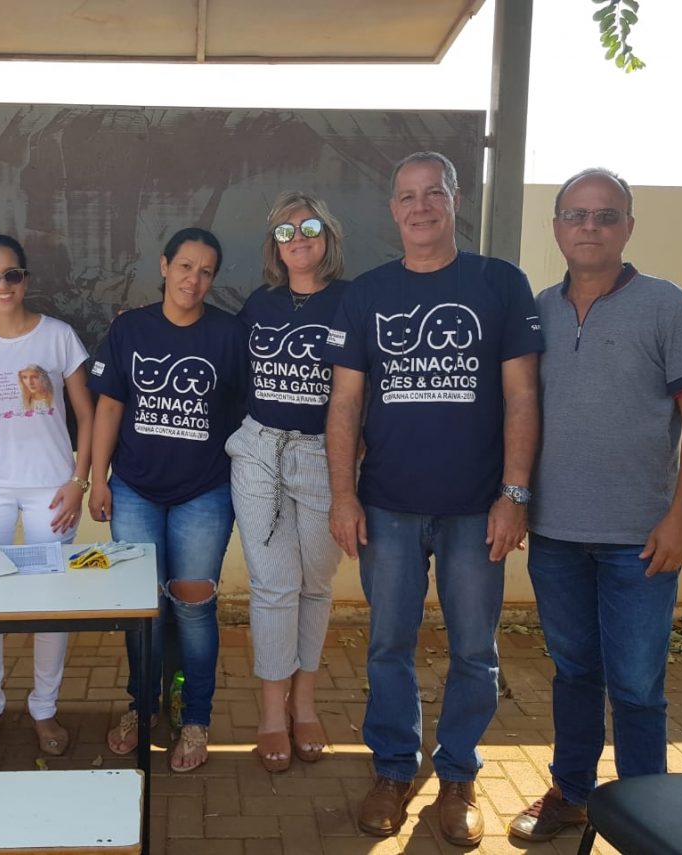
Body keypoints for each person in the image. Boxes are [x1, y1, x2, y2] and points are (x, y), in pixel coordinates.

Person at [324, 151, 543, 845]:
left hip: (477, 509)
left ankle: (457, 775)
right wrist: (342, 496)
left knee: (474, 649)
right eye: (408, 196)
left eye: (433, 194)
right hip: (386, 506)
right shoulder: (367, 293)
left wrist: (514, 494)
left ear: (454, 201)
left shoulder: (499, 283)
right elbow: (344, 402)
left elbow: (522, 395)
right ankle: (393, 768)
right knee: (388, 643)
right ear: (393, 210)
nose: (420, 207)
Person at [508, 168, 682, 842]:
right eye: (576, 214)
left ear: (628, 225)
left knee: (635, 686)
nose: (590, 227)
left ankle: (647, 816)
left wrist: (681, 518)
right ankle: (571, 792)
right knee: (574, 673)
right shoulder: (538, 309)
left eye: (605, 215)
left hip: (641, 539)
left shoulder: (668, 306)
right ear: (556, 227)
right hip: (555, 534)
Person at [88, 227, 247, 773]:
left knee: (194, 609)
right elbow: (109, 406)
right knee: (144, 609)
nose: (193, 280)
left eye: (205, 271)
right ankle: (142, 706)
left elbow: (248, 412)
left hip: (205, 492)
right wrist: (99, 479)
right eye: (184, 266)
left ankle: (195, 718)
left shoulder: (229, 334)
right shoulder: (130, 328)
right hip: (134, 489)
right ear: (163, 266)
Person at [0, 232, 93, 757]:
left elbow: (87, 415)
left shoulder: (58, 337)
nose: (2, 285)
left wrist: (79, 482)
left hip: (52, 489)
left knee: (49, 602)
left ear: (25, 278)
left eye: (11, 274)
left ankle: (44, 707)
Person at [225, 191, 348, 773]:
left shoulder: (352, 301)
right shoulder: (260, 303)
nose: (298, 238)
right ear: (274, 245)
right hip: (260, 451)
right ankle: (274, 711)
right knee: (274, 586)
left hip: (325, 457)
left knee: (315, 585)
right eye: (285, 231)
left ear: (328, 235)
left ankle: (306, 701)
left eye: (309, 227)